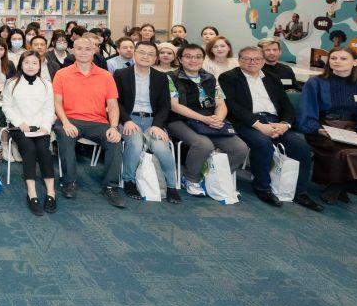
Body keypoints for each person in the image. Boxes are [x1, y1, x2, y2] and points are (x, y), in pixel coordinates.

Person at [218, 47, 322, 210]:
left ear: (263, 61)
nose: (252, 62)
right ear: (239, 60)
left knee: (301, 148)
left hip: (275, 122)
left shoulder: (272, 78)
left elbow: (286, 105)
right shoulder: (229, 77)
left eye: (257, 59)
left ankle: (300, 192)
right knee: (263, 143)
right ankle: (262, 188)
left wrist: (285, 124)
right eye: (247, 59)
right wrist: (259, 125)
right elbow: (233, 107)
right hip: (246, 122)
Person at [166, 44, 250, 197]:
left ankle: (214, 178)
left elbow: (221, 104)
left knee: (240, 148)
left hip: (209, 119)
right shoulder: (171, 77)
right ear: (180, 59)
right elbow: (174, 106)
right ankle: (190, 179)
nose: (193, 60)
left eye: (198, 57)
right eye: (188, 57)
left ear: (203, 59)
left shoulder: (210, 78)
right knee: (203, 145)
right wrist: (204, 119)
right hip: (179, 119)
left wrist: (218, 118)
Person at [53, 35, 126, 207]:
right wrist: (65, 122)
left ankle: (110, 186)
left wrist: (114, 127)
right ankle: (69, 181)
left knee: (114, 139)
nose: (83, 52)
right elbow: (57, 103)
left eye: (88, 49)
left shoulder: (106, 76)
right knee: (64, 134)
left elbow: (113, 105)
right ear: (72, 51)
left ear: (94, 51)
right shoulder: (62, 74)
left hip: (98, 122)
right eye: (79, 48)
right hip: (70, 119)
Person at [114, 42, 180, 203]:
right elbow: (116, 101)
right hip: (130, 119)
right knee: (135, 143)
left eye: (150, 54)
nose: (145, 56)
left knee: (162, 148)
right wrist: (126, 120)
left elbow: (165, 105)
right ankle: (129, 181)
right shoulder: (121, 74)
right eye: (142, 52)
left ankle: (171, 186)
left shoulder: (161, 77)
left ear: (156, 58)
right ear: (134, 54)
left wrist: (157, 125)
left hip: (153, 121)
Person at [298, 47, 357, 204]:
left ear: (355, 62)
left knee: (353, 150)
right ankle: (338, 185)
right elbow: (307, 110)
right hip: (322, 129)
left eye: (343, 58)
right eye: (333, 58)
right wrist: (317, 129)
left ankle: (341, 184)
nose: (337, 61)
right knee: (343, 152)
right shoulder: (315, 83)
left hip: (353, 130)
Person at [2, 51, 56, 216]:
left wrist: (45, 126)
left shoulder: (46, 84)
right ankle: (32, 193)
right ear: (21, 64)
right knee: (30, 150)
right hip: (19, 127)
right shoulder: (12, 83)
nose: (30, 66)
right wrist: (20, 123)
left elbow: (49, 109)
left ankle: (51, 192)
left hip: (41, 127)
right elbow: (7, 107)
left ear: (39, 66)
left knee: (44, 151)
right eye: (27, 63)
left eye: (34, 63)